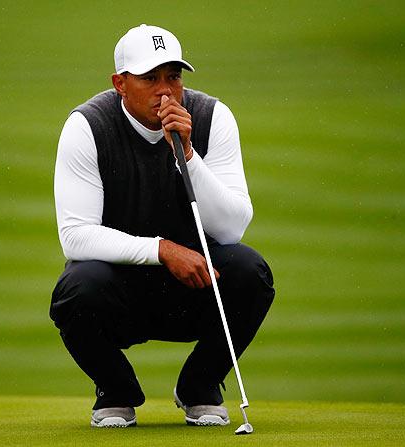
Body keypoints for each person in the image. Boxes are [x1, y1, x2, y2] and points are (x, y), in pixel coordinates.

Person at [50, 24, 274, 428]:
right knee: (75, 289)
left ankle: (200, 386)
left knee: (250, 271)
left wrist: (187, 153)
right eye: (150, 78)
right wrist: (161, 249)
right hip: (120, 292)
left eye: (173, 76)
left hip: (193, 289)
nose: (165, 90)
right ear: (120, 83)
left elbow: (231, 229)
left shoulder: (211, 118)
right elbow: (76, 236)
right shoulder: (88, 126)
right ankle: (116, 390)